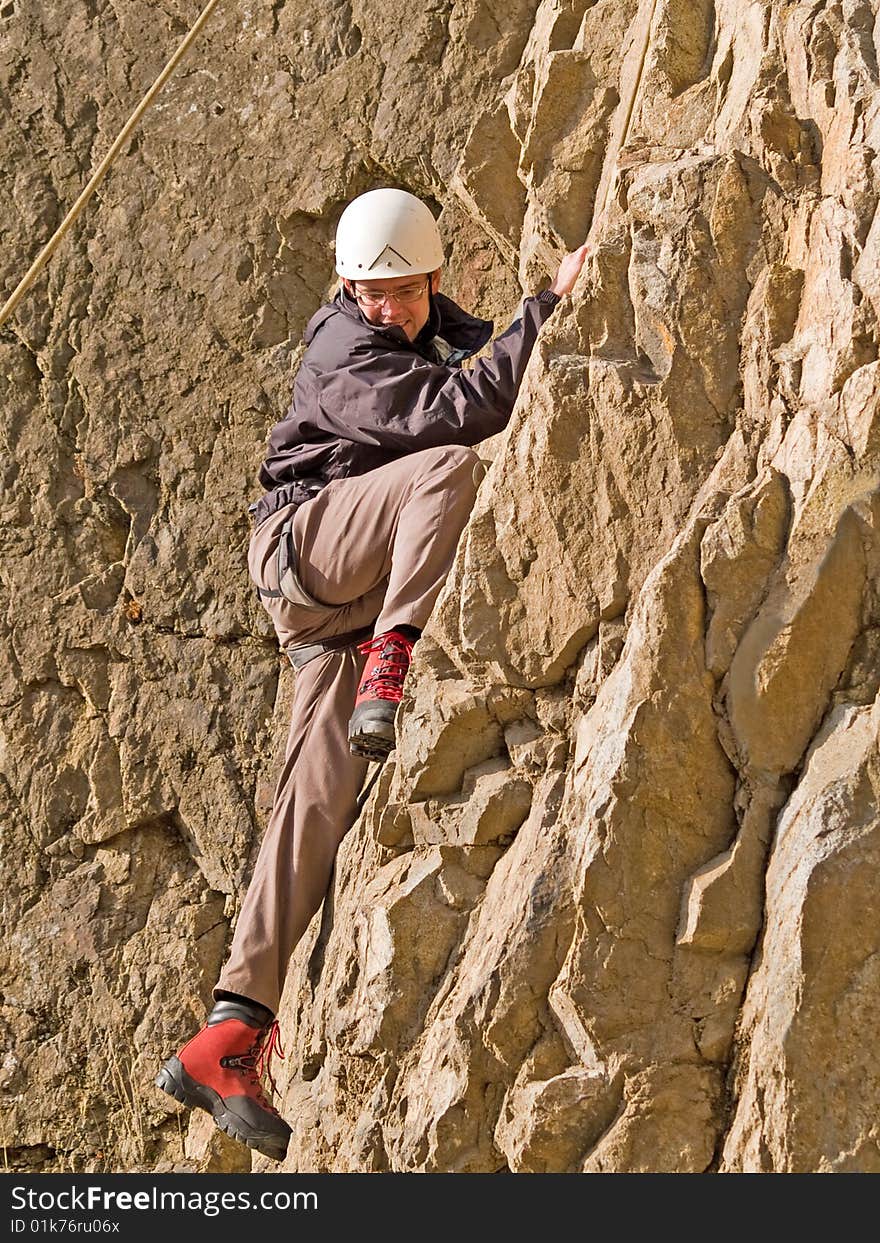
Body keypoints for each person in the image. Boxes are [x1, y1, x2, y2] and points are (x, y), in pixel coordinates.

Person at [156, 188, 590, 1160]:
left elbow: (468, 347)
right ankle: (395, 655)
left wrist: (548, 297)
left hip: (333, 589)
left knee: (310, 799)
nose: (385, 306)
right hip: (309, 553)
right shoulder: (342, 347)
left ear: (431, 279)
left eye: (400, 291)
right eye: (369, 291)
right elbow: (464, 408)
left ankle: (230, 1031)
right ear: (347, 287)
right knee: (444, 469)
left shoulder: (421, 322)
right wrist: (549, 312)